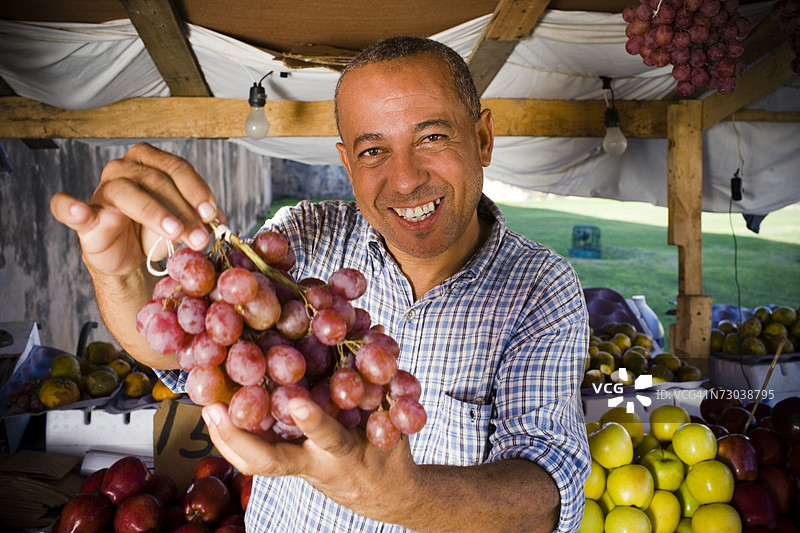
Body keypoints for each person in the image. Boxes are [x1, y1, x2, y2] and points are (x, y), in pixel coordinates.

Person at [50, 36, 590, 532]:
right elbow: (180, 353)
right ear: (347, 164)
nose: (405, 180)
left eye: (432, 136)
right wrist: (118, 271)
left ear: (483, 138)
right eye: (374, 150)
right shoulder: (304, 236)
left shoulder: (541, 287)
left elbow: (550, 488)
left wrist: (403, 497)